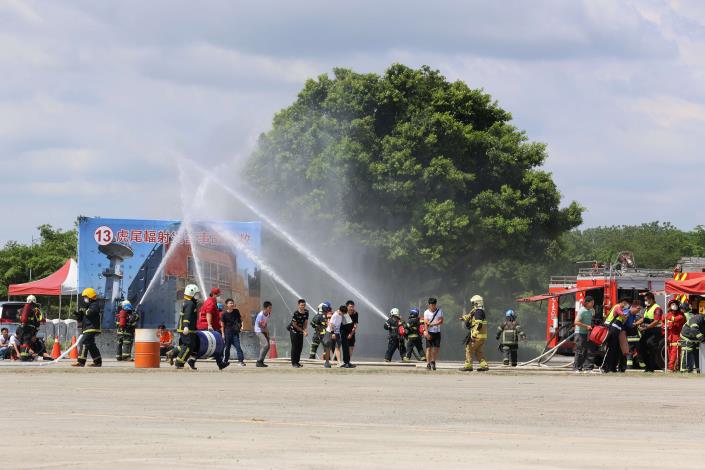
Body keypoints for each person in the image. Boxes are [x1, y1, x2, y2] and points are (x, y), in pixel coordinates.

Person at [72, 287, 103, 367]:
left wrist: (83, 311)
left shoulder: (94, 305)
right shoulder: (89, 306)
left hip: (91, 328)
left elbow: (90, 313)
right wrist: (79, 316)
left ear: (90, 297)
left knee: (84, 342)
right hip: (88, 328)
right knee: (91, 345)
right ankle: (97, 361)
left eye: (86, 297)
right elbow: (85, 317)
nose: (85, 299)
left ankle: (81, 362)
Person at [636, 292, 664, 373]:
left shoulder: (657, 308)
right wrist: (635, 324)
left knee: (650, 346)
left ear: (651, 299)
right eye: (644, 300)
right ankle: (648, 366)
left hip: (654, 332)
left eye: (646, 300)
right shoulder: (648, 308)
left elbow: (656, 321)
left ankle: (651, 368)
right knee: (641, 346)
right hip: (647, 332)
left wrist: (646, 327)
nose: (645, 301)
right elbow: (643, 319)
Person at [460, 295, 489, 372]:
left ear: (477, 303)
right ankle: (484, 365)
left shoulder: (478, 312)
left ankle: (468, 366)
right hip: (482, 337)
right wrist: (464, 318)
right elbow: (470, 316)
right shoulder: (479, 311)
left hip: (477, 336)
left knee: (469, 349)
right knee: (478, 351)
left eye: (473, 303)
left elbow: (479, 324)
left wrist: (474, 334)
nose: (472, 304)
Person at [175, 284, 201, 370]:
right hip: (186, 328)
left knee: (188, 346)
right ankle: (179, 363)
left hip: (189, 328)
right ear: (191, 293)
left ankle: (175, 357)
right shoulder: (190, 303)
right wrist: (186, 326)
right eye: (196, 294)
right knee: (188, 346)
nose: (198, 295)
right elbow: (187, 316)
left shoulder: (190, 302)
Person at [573, 296, 595, 372]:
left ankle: (586, 368)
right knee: (579, 351)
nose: (593, 304)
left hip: (586, 334)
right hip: (580, 334)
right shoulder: (582, 311)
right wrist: (586, 326)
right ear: (587, 303)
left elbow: (590, 321)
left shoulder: (590, 311)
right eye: (592, 302)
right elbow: (576, 322)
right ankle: (577, 368)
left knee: (586, 351)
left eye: (593, 302)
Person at [221, 298, 245, 367]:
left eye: (232, 303)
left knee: (238, 347)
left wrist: (242, 326)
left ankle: (241, 361)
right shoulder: (224, 314)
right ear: (227, 305)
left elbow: (241, 319)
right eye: (230, 303)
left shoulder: (236, 311)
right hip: (227, 333)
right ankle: (225, 361)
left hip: (235, 333)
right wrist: (223, 334)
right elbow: (222, 325)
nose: (232, 304)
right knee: (227, 348)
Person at [664, 299, 686, 372]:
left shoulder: (681, 315)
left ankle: (671, 368)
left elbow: (678, 319)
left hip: (677, 336)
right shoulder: (669, 314)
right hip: (669, 336)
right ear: (669, 306)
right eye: (672, 304)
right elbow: (663, 320)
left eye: (675, 304)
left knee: (675, 352)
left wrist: (668, 317)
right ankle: (673, 367)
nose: (674, 306)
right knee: (670, 353)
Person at [19, 295, 43, 361]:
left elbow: (20, 319)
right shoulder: (35, 309)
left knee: (23, 342)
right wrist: (36, 329)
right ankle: (24, 358)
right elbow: (38, 321)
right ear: (34, 301)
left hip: (21, 328)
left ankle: (24, 356)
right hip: (29, 329)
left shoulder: (22, 309)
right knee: (27, 342)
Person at [423, 297, 444, 371]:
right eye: (431, 305)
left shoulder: (439, 311)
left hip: (437, 332)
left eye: (434, 305)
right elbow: (426, 323)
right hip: (429, 332)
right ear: (429, 305)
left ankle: (433, 361)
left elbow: (441, 321)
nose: (433, 307)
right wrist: (427, 333)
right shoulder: (426, 312)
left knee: (436, 348)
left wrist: (433, 324)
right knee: (428, 348)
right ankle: (428, 363)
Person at [288, 299, 309, 368]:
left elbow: (305, 322)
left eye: (304, 305)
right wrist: (303, 331)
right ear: (298, 305)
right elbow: (294, 325)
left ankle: (297, 362)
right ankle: (294, 363)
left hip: (301, 331)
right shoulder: (296, 313)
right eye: (301, 305)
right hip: (294, 331)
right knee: (295, 347)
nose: (303, 306)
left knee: (300, 347)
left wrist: (305, 330)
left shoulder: (306, 312)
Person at [625, 301, 644, 369]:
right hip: (628, 337)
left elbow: (642, 319)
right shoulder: (626, 313)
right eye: (638, 309)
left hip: (634, 337)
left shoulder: (633, 315)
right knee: (630, 352)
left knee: (639, 352)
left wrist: (635, 324)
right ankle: (629, 367)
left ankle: (642, 367)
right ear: (632, 307)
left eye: (640, 309)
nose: (639, 311)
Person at [255, 301, 273, 367]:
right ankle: (259, 361)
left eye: (271, 308)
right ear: (265, 308)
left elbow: (265, 323)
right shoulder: (260, 315)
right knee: (266, 345)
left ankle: (261, 361)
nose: (271, 309)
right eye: (269, 308)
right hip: (259, 331)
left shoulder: (268, 313)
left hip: (264, 330)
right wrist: (266, 331)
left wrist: (266, 330)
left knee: (267, 346)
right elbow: (259, 325)